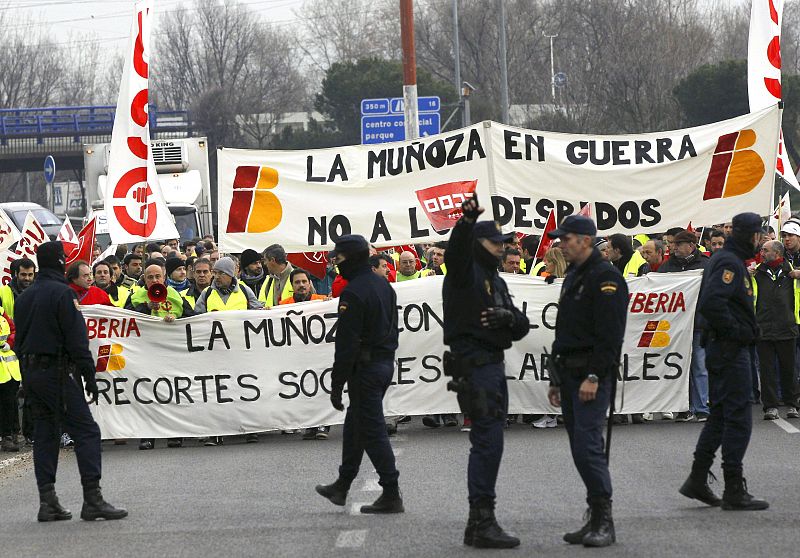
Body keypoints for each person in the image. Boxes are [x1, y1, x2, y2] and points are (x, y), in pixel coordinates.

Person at [14, 241, 127, 522]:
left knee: (45, 434)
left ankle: (48, 501)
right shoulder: (63, 293)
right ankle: (93, 499)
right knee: (87, 431)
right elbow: (77, 340)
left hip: (32, 373)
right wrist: (89, 375)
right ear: (59, 262)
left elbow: (20, 340)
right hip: (56, 372)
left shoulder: (25, 297)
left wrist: (27, 377)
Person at [441, 194, 530, 549]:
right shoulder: (465, 274)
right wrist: (465, 223)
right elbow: (455, 255)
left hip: (493, 364)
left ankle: (479, 521)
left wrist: (509, 318)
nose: (501, 248)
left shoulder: (497, 279)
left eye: (503, 242)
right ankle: (481, 520)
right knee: (487, 443)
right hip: (476, 368)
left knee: (492, 442)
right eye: (495, 242)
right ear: (478, 244)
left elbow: (521, 325)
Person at [679, 212, 769, 511]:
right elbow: (712, 303)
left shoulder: (730, 259)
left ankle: (697, 478)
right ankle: (733, 488)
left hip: (724, 349)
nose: (760, 240)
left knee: (719, 415)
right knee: (739, 418)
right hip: (729, 350)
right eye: (758, 235)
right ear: (751, 235)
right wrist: (738, 331)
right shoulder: (729, 262)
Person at [547, 215, 628, 548]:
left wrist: (594, 375)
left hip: (590, 375)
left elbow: (610, 335)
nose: (561, 244)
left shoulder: (605, 277)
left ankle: (604, 520)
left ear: (584, 240)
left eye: (566, 239)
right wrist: (555, 378)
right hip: (568, 374)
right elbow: (564, 331)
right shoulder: (574, 275)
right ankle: (593, 516)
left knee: (588, 447)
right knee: (579, 449)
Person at [315, 234, 403, 515]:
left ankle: (391, 492)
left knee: (373, 431)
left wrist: (336, 384)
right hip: (383, 364)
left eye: (339, 259)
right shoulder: (383, 285)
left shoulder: (353, 293)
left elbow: (346, 344)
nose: (337, 265)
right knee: (355, 426)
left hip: (365, 370)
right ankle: (342, 484)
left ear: (351, 259)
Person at [656, 230, 710, 422]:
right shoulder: (667, 266)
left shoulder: (706, 265)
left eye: (678, 244)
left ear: (691, 245)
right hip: (674, 327)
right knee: (678, 367)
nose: (673, 248)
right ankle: (684, 408)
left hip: (698, 324)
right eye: (673, 244)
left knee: (699, 367)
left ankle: (702, 407)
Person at [752, 240, 800, 420]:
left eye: (765, 250)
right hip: (763, 328)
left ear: (777, 253)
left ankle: (792, 404)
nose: (762, 253)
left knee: (789, 369)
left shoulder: (791, 272)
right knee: (767, 371)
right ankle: (770, 406)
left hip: (787, 327)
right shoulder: (756, 272)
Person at [194, 257, 263, 314]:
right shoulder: (207, 293)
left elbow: (258, 314)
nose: (217, 276)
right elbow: (197, 319)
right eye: (215, 273)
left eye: (221, 273)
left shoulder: (244, 290)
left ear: (231, 274)